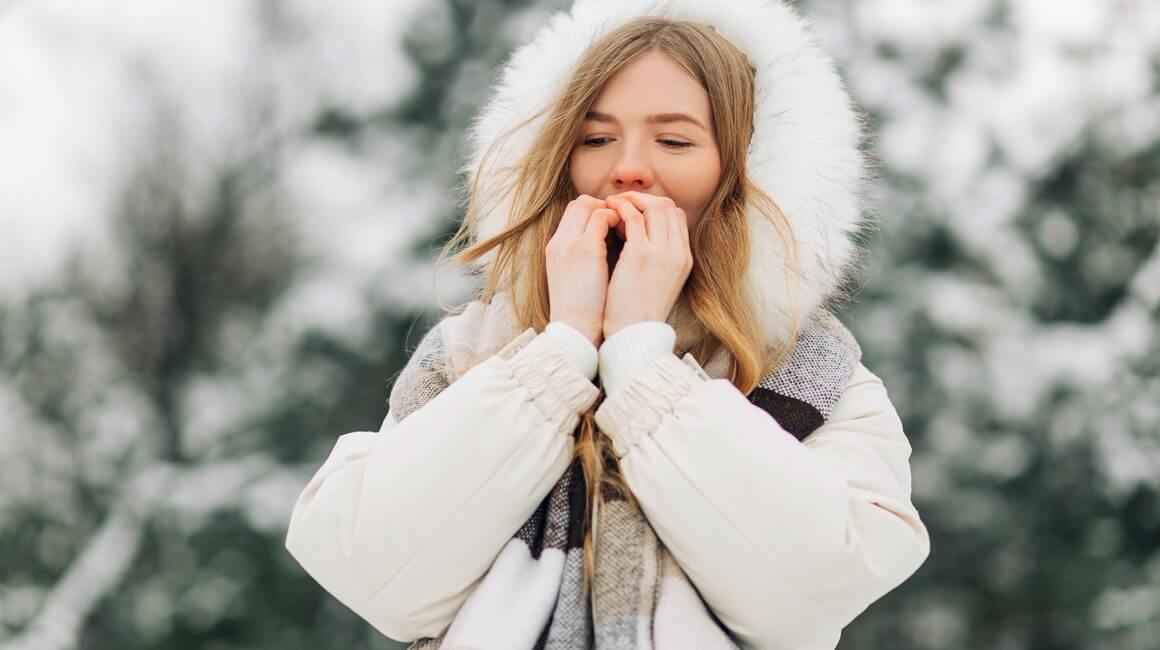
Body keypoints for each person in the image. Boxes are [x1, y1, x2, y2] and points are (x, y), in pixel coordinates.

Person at [284, 1, 931, 648]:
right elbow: (375, 575)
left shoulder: (813, 372)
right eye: (595, 139)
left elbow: (812, 595)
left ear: (747, 172)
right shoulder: (473, 350)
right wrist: (561, 350)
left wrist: (640, 359)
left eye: (674, 140)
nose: (628, 167)